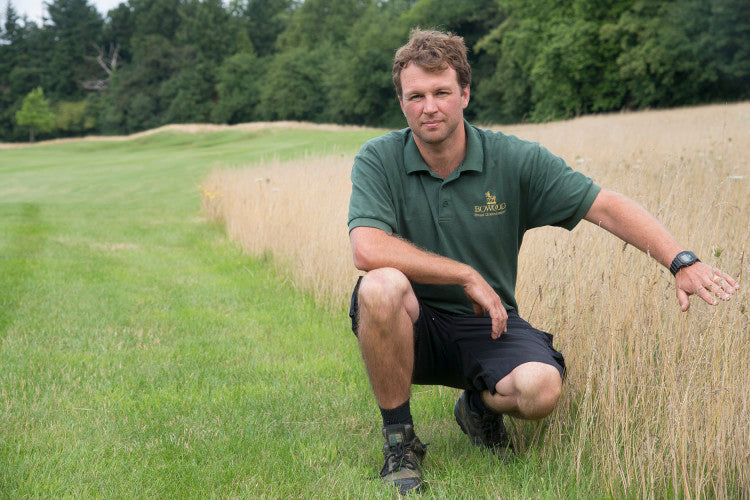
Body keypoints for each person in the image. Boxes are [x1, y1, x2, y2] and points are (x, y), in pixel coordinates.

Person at [346, 28, 739, 495]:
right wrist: (464, 273)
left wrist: (681, 260)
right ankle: (400, 441)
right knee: (380, 285)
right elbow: (366, 248)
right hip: (413, 326)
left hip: (487, 322)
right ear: (401, 101)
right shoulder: (379, 158)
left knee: (541, 389)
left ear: (465, 93)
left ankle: (478, 409)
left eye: (441, 93)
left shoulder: (513, 159)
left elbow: (604, 205)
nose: (429, 107)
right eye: (416, 96)